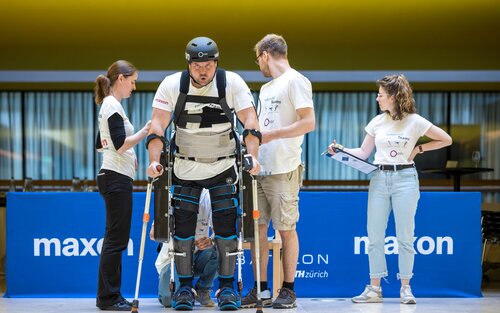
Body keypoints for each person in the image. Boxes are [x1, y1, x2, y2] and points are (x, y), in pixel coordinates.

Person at [146, 36, 261, 311]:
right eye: (197, 65)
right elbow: (157, 127)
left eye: (208, 65)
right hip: (185, 166)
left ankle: (227, 289)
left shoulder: (231, 82)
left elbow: (251, 122)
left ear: (216, 63)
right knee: (183, 227)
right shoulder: (172, 84)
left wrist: (253, 155)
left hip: (223, 165)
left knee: (225, 226)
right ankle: (184, 288)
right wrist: (153, 161)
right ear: (188, 64)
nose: (203, 70)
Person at [328, 74, 452, 304]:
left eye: (381, 95)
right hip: (379, 178)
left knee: (405, 236)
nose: (377, 98)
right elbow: (364, 153)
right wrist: (341, 149)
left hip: (406, 178)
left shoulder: (415, 121)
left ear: (394, 97)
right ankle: (374, 289)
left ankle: (406, 287)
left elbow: (446, 139)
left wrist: (419, 149)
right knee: (374, 236)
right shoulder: (377, 122)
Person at [241, 34, 315, 309]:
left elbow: (308, 122)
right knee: (257, 231)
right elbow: (260, 130)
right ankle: (259, 289)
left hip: (284, 168)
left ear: (265, 55)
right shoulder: (267, 88)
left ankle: (288, 290)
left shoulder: (296, 80)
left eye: (257, 58)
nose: (258, 63)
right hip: (259, 169)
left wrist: (272, 135)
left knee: (286, 229)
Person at [94, 60, 151, 311]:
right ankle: (108, 298)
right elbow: (118, 144)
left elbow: (101, 143)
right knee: (116, 241)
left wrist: (129, 154)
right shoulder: (112, 106)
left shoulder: (110, 106)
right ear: (121, 78)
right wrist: (145, 131)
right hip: (115, 178)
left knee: (115, 239)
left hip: (114, 175)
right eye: (133, 81)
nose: (134, 87)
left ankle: (109, 296)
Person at [151, 189, 218, 308]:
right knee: (167, 301)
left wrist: (211, 240)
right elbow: (153, 234)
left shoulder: (208, 195)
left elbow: (218, 233)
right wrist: (179, 237)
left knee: (221, 248)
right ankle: (182, 288)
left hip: (198, 257)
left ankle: (202, 290)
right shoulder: (172, 193)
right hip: (174, 259)